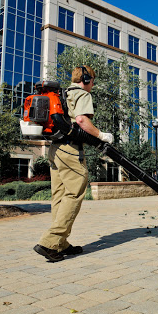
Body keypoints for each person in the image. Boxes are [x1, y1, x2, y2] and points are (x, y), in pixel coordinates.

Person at [34, 65, 113, 262]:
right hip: (70, 149)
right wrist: (101, 135)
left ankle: (59, 244)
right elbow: (81, 120)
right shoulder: (82, 94)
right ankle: (50, 241)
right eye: (93, 81)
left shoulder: (63, 93)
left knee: (59, 196)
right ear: (86, 79)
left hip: (55, 150)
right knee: (75, 192)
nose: (93, 85)